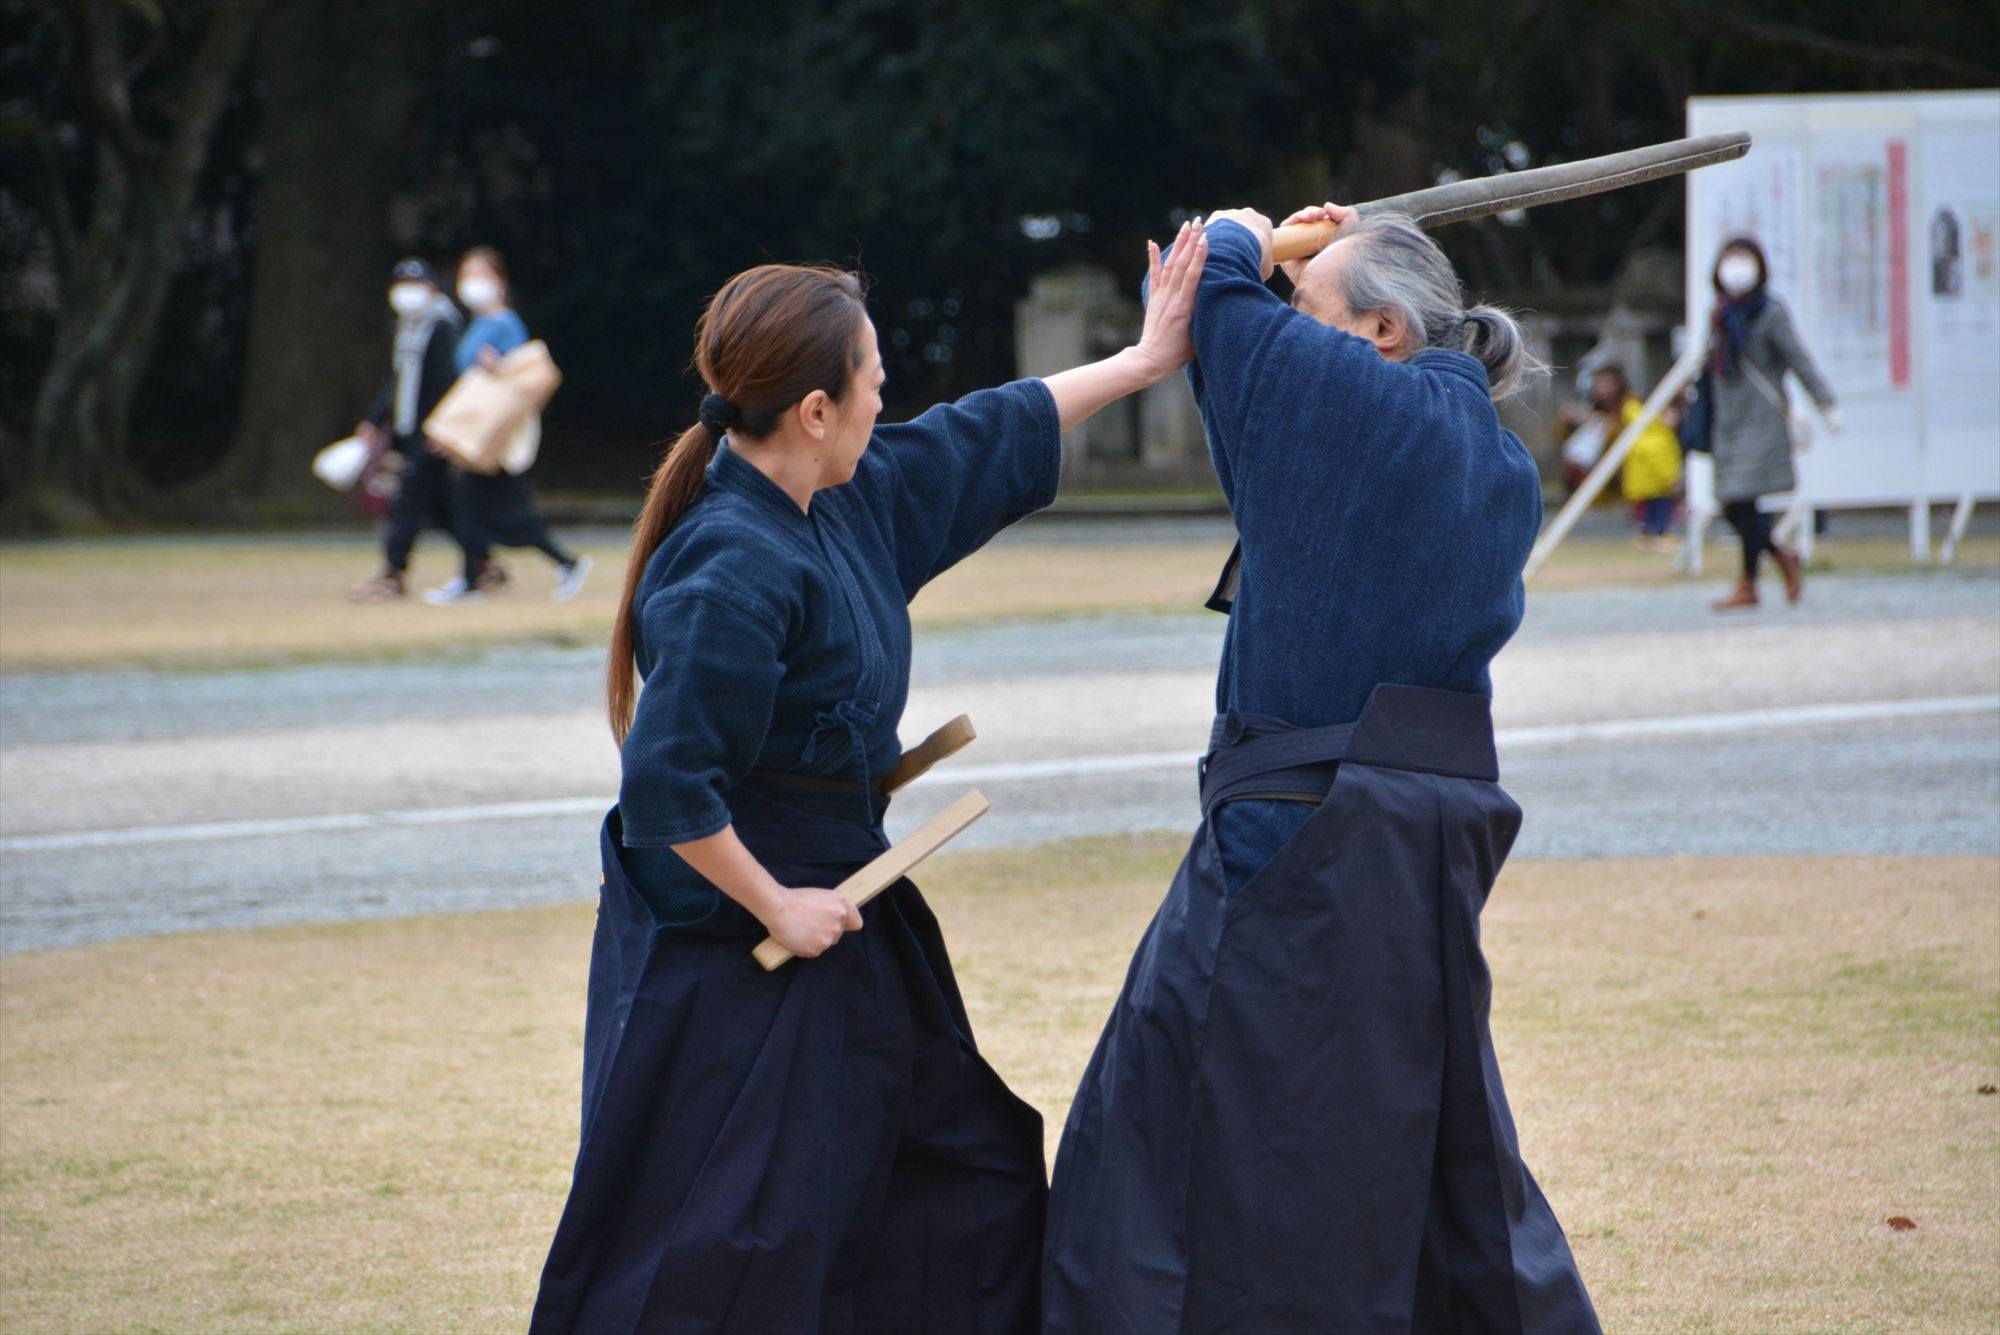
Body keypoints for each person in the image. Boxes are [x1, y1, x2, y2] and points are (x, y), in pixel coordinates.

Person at [530, 230, 1207, 1334]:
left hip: (839, 900)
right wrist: (777, 907)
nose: (884, 408)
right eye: (873, 388)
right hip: (736, 939)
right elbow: (668, 792)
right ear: (812, 409)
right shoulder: (730, 565)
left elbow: (981, 431)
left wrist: (1141, 361)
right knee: (741, 1234)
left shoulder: (841, 499)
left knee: (959, 1179)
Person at [1043, 206, 1600, 1334]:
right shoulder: (1497, 464)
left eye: (1315, 310)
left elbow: (1220, 289)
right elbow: (1243, 369)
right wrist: (1290, 263)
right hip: (1419, 843)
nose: (1295, 325)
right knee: (1404, 1135)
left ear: (1382, 330)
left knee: (1177, 1137)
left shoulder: (1344, 399)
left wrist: (1258, 233)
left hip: (1298, 833)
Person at [423, 246, 592, 605]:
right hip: (474, 430)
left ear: (499, 282)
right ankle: (471, 579)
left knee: (505, 513)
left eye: (480, 275)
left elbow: (515, 381)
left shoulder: (505, 324)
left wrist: (497, 369)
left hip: (491, 434)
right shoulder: (479, 323)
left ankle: (565, 562)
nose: (471, 284)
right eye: (466, 275)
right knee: (470, 505)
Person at [1702, 236, 1838, 612]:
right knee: (1732, 502)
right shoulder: (1719, 314)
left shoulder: (1770, 313)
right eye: (1729, 258)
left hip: (1760, 422)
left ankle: (1749, 583)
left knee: (1741, 499)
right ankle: (1779, 557)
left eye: (1743, 258)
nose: (1736, 266)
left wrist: (1826, 403)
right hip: (1727, 420)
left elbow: (1799, 360)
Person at [349, 258, 465, 601]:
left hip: (431, 432)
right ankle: (483, 560)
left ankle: (393, 572)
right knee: (441, 507)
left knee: (407, 503)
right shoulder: (404, 328)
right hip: (407, 428)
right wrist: (375, 420)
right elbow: (395, 381)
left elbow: (446, 383)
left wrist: (441, 430)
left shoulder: (443, 326)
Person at [1590, 362, 1681, 547]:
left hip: (1650, 463)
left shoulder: (1629, 406)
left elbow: (1647, 434)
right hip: (1645, 465)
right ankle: (1651, 531)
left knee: (1658, 501)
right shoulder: (1616, 410)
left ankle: (1657, 532)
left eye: (1607, 383)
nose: (1601, 388)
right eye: (1599, 383)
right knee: (1650, 503)